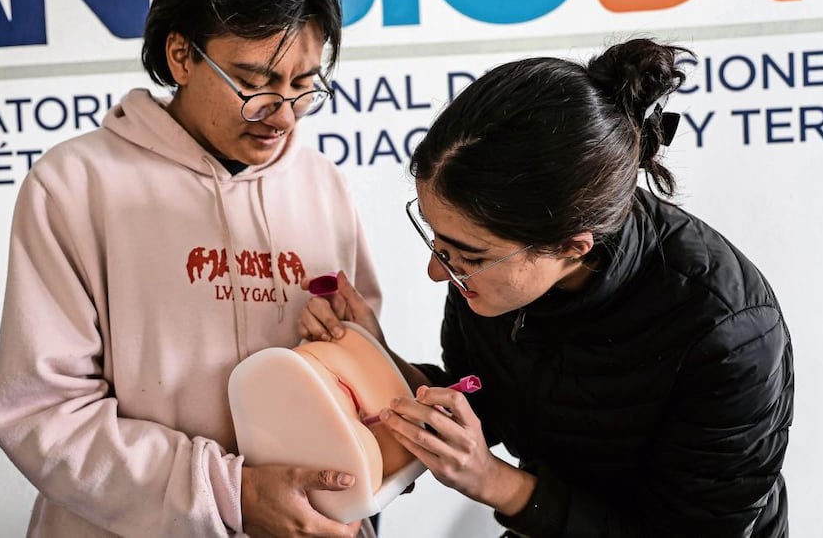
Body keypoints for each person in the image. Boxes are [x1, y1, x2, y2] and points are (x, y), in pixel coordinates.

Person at [300, 38, 794, 537]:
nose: (437, 271)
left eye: (467, 256)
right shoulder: (491, 262)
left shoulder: (730, 333)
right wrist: (374, 359)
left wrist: (493, 481)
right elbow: (482, 395)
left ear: (572, 247)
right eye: (437, 241)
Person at [0, 0, 382, 537]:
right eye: (253, 83)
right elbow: (41, 414)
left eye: (304, 87)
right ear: (181, 56)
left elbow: (359, 378)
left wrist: (363, 366)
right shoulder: (75, 185)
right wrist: (229, 494)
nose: (282, 115)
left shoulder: (321, 184)